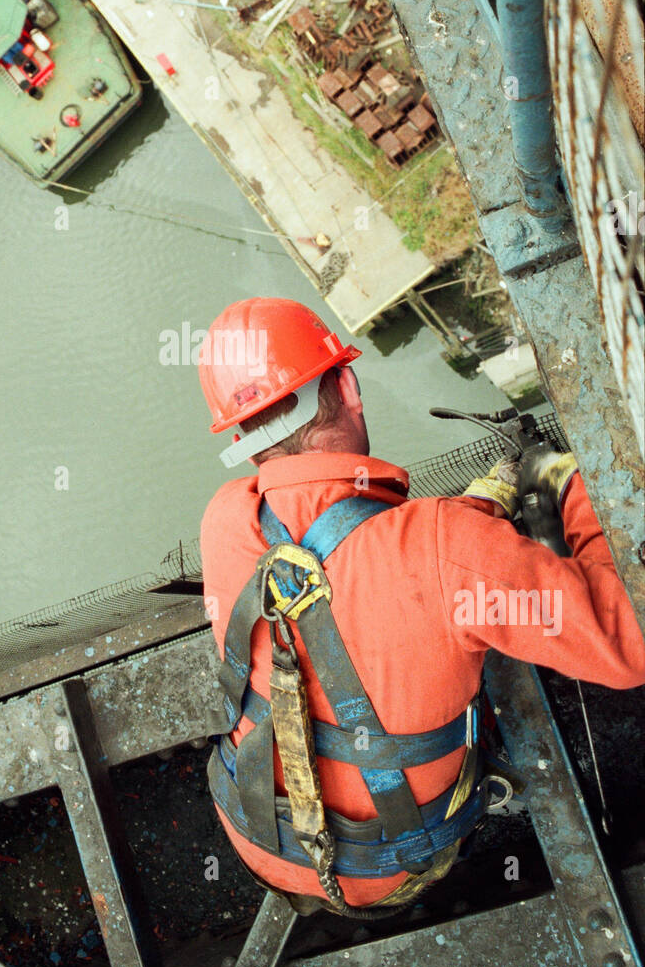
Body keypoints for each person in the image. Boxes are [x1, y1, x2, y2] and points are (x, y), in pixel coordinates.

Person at [197, 296, 645, 916]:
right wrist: (573, 489)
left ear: (243, 435)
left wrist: (476, 511)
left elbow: (363, 554)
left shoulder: (222, 521)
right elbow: (627, 647)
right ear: (348, 385)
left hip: (258, 838)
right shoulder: (443, 546)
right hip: (389, 867)